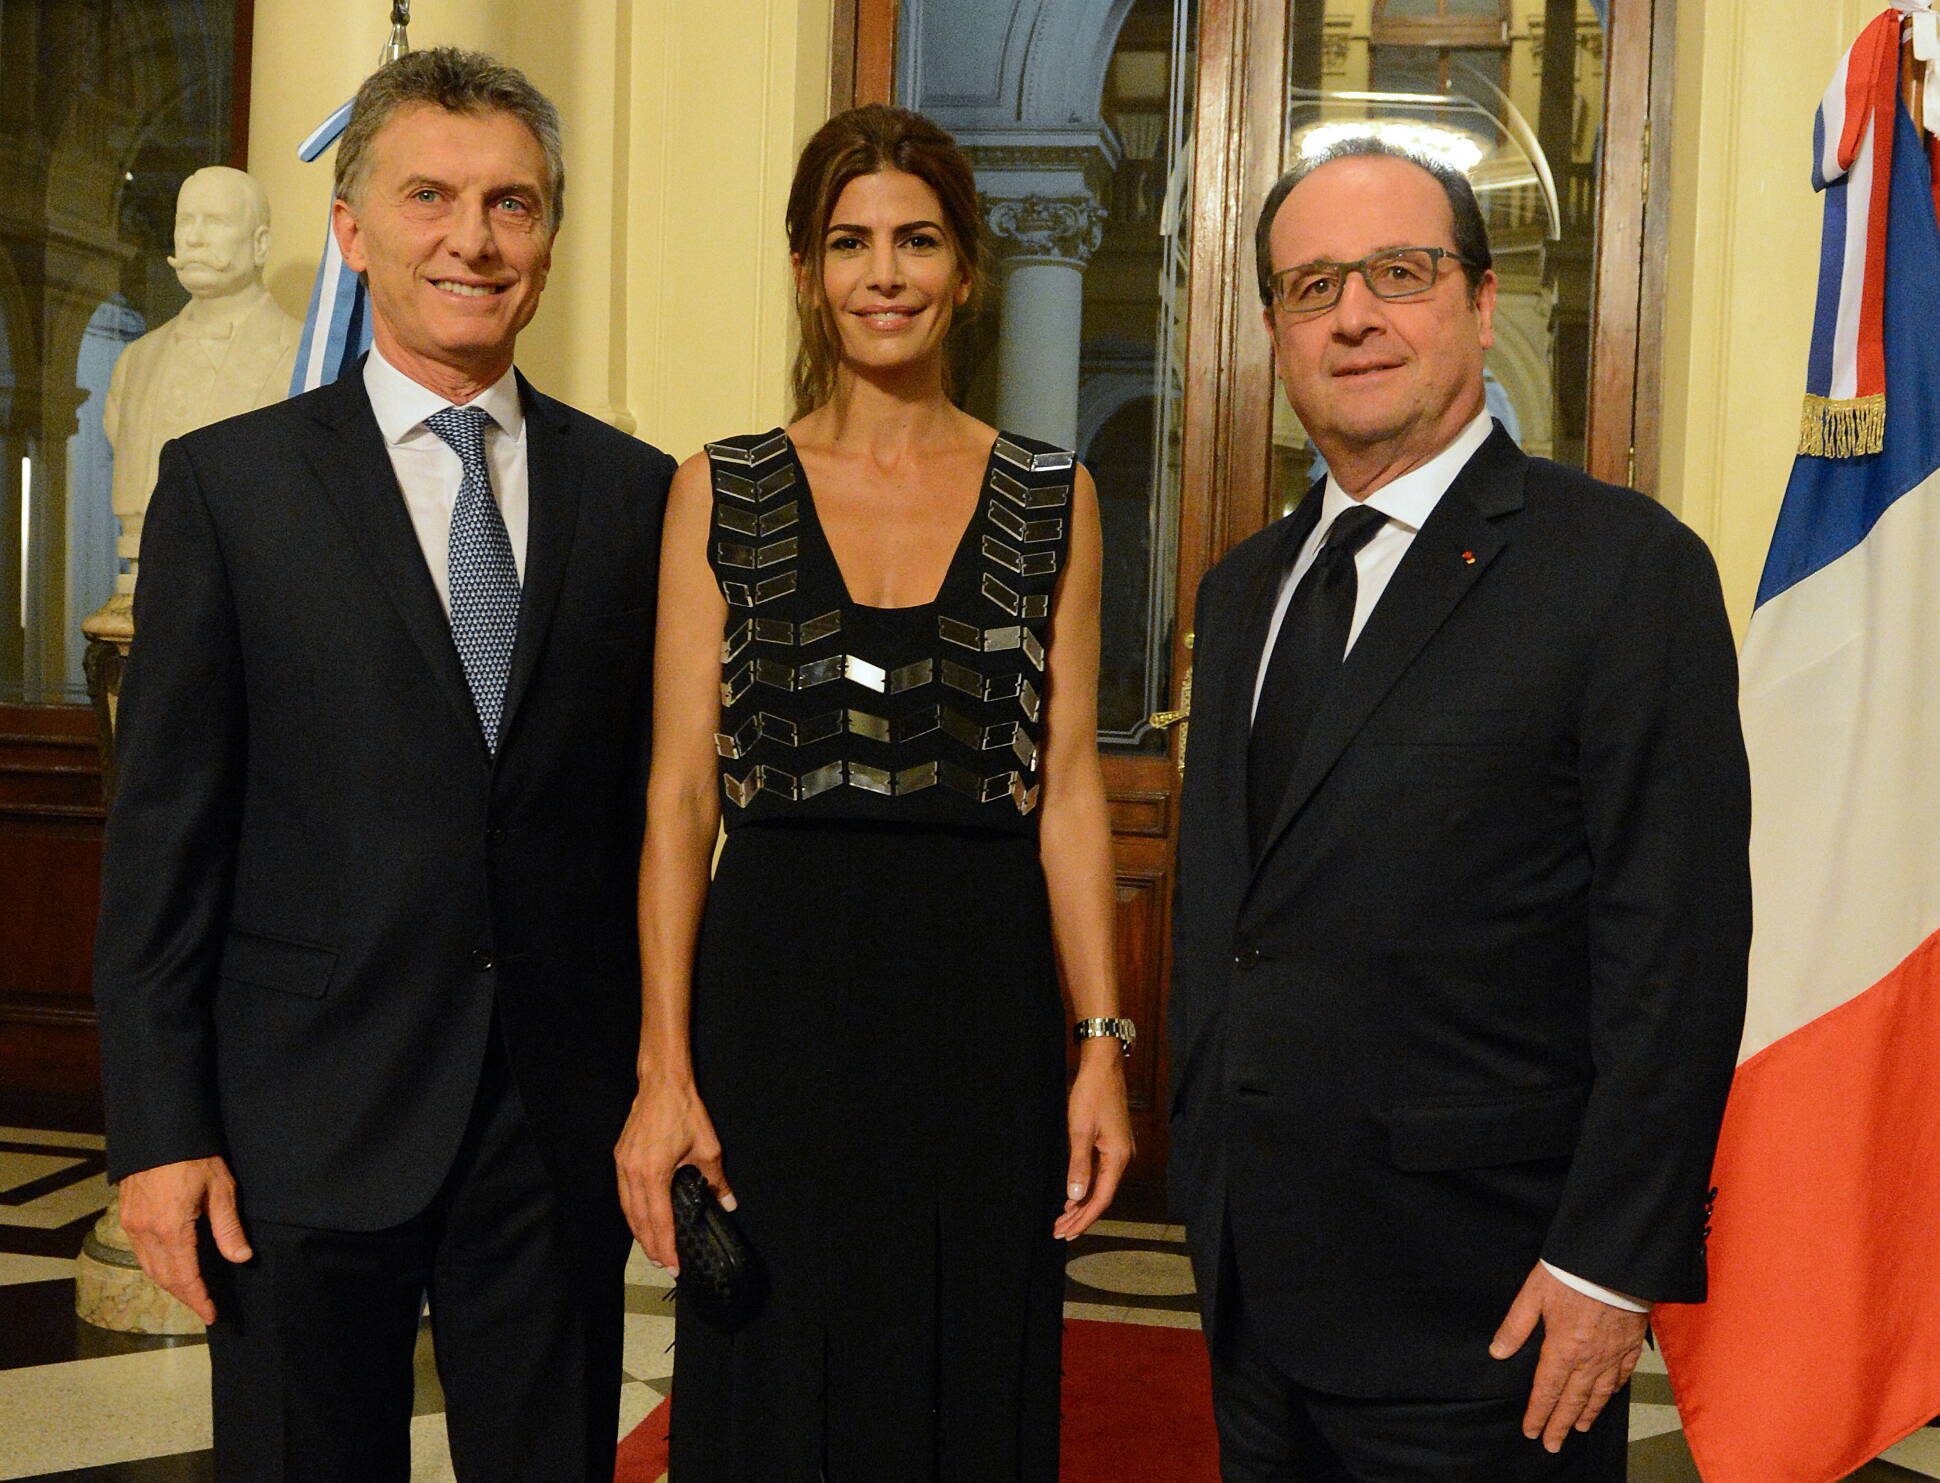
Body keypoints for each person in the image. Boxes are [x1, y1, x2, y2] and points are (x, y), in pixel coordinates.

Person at [92, 48, 674, 1482]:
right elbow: (166, 836)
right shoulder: (229, 490)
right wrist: (159, 1133)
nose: (471, 239)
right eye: (429, 195)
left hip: (551, 1127)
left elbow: (655, 816)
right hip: (298, 1123)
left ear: (546, 235)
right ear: (352, 231)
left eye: (511, 203)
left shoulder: (639, 495)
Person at [1166, 139, 1751, 1481]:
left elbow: (1677, 950)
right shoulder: (1244, 588)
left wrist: (1610, 1258)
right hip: (1259, 1288)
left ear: (1483, 304)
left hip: (1490, 1311)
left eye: (1399, 272)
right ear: (1271, 329)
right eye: (1312, 286)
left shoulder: (1622, 570)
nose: (1354, 313)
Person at [615, 102, 1134, 1482]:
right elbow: (677, 800)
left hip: (982, 999)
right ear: (807, 269)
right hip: (773, 988)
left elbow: (1069, 790)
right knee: (772, 1366)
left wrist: (1100, 1040)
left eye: (915, 241)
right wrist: (665, 1065)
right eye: (850, 243)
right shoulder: (715, 490)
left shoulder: (1052, 495)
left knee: (969, 1365)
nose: (883, 273)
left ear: (967, 269)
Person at [102, 165, 301, 600]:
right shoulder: (135, 361)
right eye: (184, 221)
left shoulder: (304, 358)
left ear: (260, 243)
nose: (193, 237)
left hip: (253, 584)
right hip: (143, 576)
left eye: (214, 222)